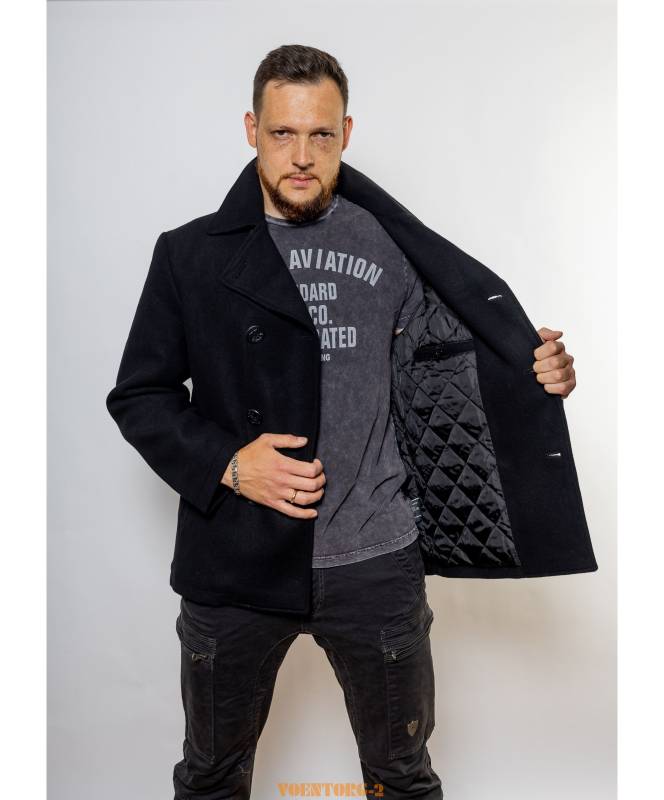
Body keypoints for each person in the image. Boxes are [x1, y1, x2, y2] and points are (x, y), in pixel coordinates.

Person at [107, 44, 582, 799]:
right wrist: (230, 463)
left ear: (346, 134)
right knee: (211, 778)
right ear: (252, 130)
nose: (301, 156)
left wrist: (538, 371)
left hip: (376, 559)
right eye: (282, 133)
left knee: (402, 777)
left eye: (320, 135)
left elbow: (457, 359)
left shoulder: (392, 242)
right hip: (236, 559)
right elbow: (140, 395)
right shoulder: (189, 256)